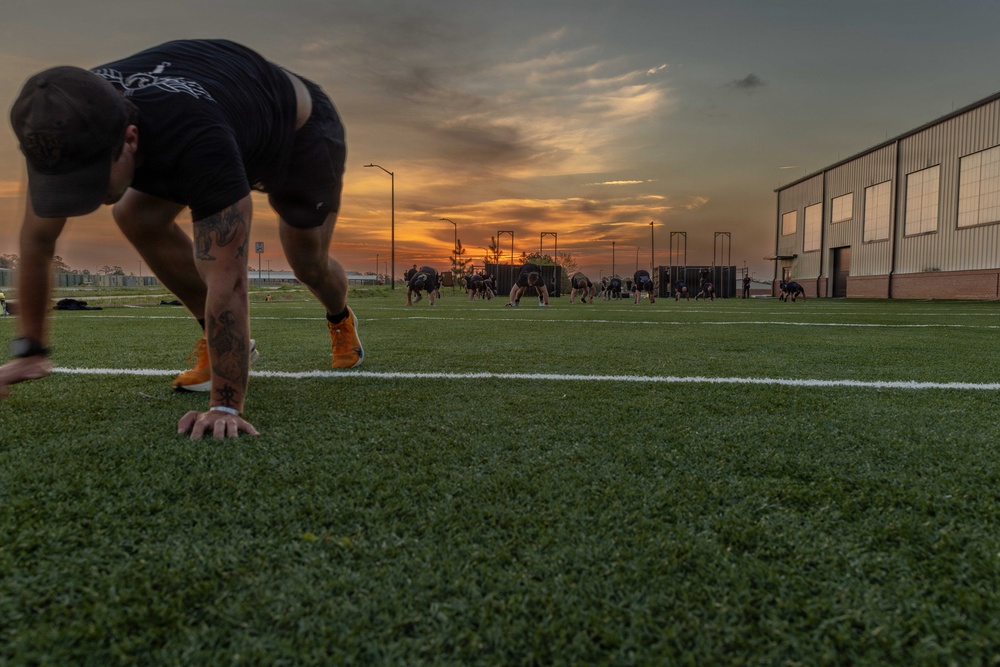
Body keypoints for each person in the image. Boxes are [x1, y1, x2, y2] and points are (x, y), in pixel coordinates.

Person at [1, 39, 363, 440]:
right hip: (224, 108)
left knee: (307, 264)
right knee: (134, 215)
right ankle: (213, 339)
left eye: (91, 180)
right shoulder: (62, 122)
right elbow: (36, 243)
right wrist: (30, 350)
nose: (83, 198)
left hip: (298, 134)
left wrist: (226, 405)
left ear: (130, 139)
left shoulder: (197, 139)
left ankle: (340, 318)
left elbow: (229, 276)